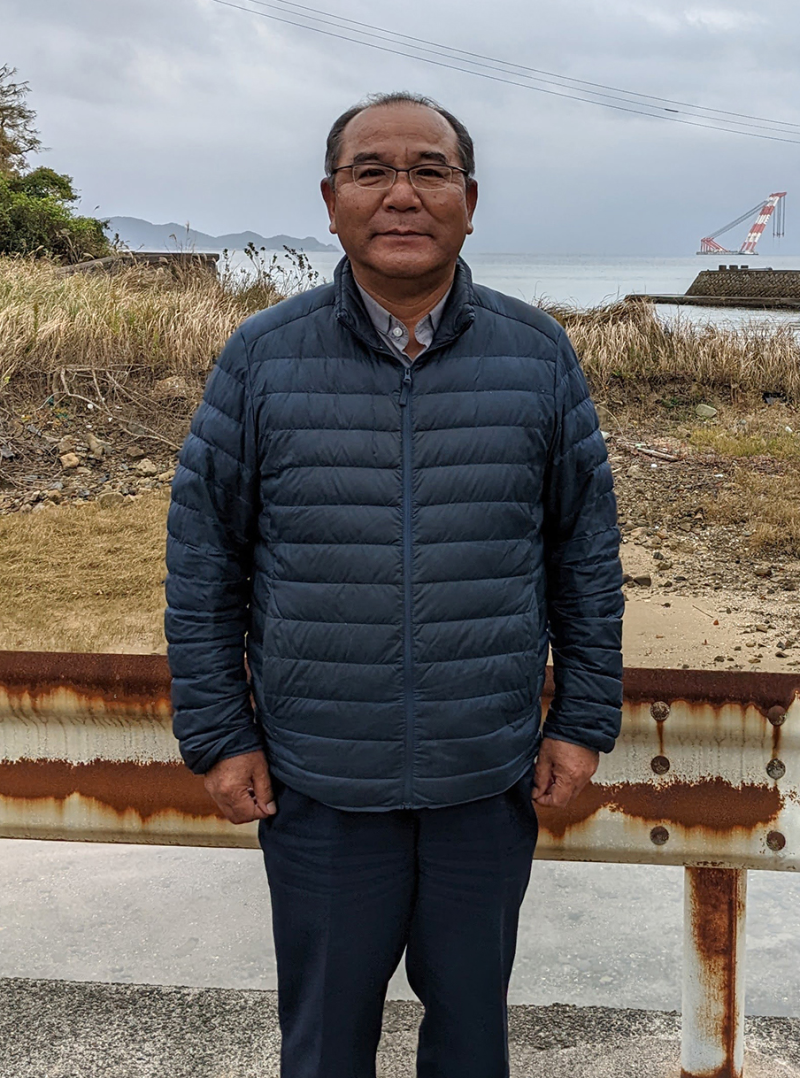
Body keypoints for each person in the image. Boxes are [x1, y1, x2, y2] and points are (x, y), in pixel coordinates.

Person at [166, 91, 623, 1078]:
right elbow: (204, 564)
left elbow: (582, 556)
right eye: (371, 171)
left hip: (485, 773)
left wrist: (581, 720)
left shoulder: (534, 352)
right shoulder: (262, 358)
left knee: (471, 1042)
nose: (401, 194)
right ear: (330, 201)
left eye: (429, 169)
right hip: (319, 784)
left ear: (469, 197)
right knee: (325, 1044)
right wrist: (218, 734)